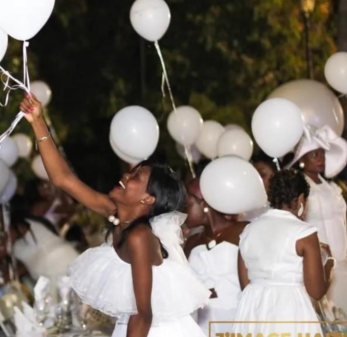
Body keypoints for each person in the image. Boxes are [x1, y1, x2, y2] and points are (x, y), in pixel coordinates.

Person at [19, 95, 210, 337]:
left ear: (148, 199)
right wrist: (37, 122)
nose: (126, 176)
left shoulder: (140, 236)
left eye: (136, 178)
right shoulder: (117, 215)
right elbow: (64, 179)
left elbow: (143, 314)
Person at [233, 170, 331, 336]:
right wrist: (329, 264)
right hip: (289, 309)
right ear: (300, 199)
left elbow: (245, 283)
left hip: (252, 311)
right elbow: (316, 291)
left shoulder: (248, 230)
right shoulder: (304, 233)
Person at [288, 125, 347, 322]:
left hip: (341, 262)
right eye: (314, 155)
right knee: (328, 321)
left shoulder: (330, 186)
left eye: (322, 154)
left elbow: (341, 223)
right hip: (319, 264)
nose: (320, 159)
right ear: (302, 160)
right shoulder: (300, 188)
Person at [183, 177, 247, 336]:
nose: (183, 211)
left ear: (204, 205)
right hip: (204, 322)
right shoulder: (191, 242)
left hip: (238, 316)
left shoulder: (243, 230)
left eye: (188, 204)